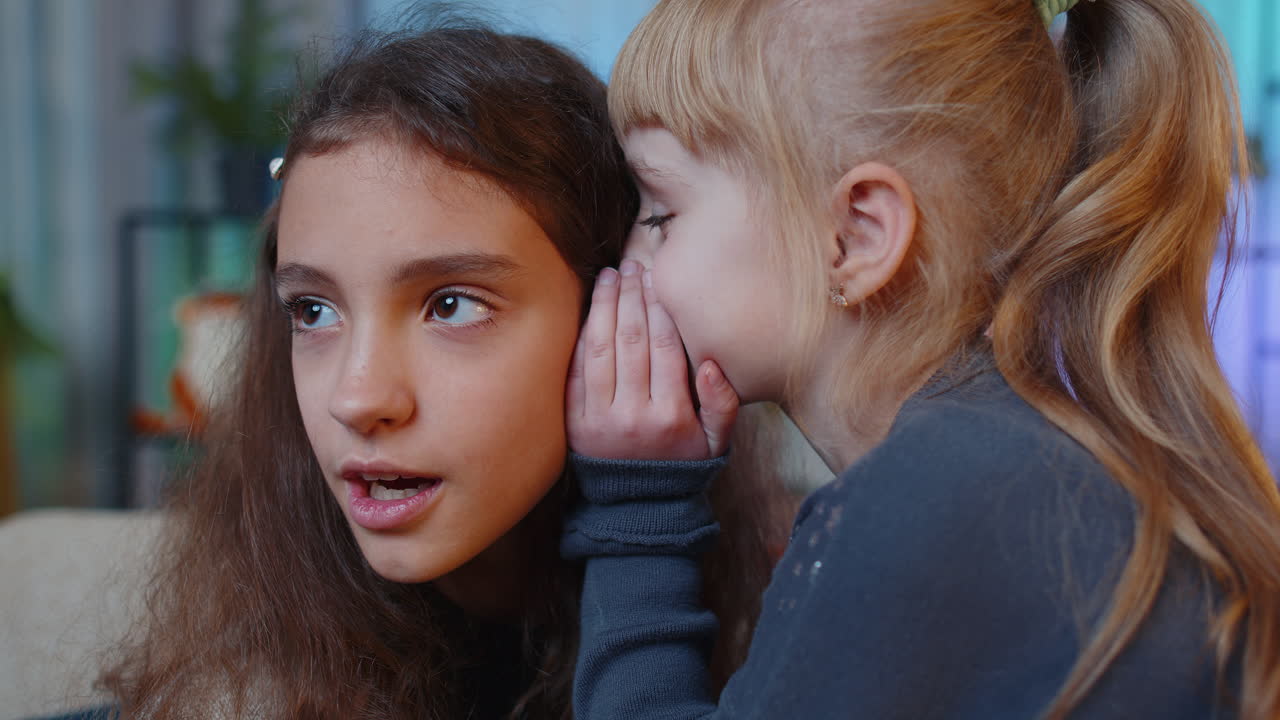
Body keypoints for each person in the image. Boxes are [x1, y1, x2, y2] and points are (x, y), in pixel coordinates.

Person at [562, 0, 1280, 718]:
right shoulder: (1008, 458)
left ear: (856, 236)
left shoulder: (928, 501)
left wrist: (640, 509)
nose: (626, 264)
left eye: (659, 214)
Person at [92, 19, 784, 720]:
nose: (357, 398)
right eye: (312, 311)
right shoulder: (241, 681)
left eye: (451, 306)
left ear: (623, 320)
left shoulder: (784, 613)